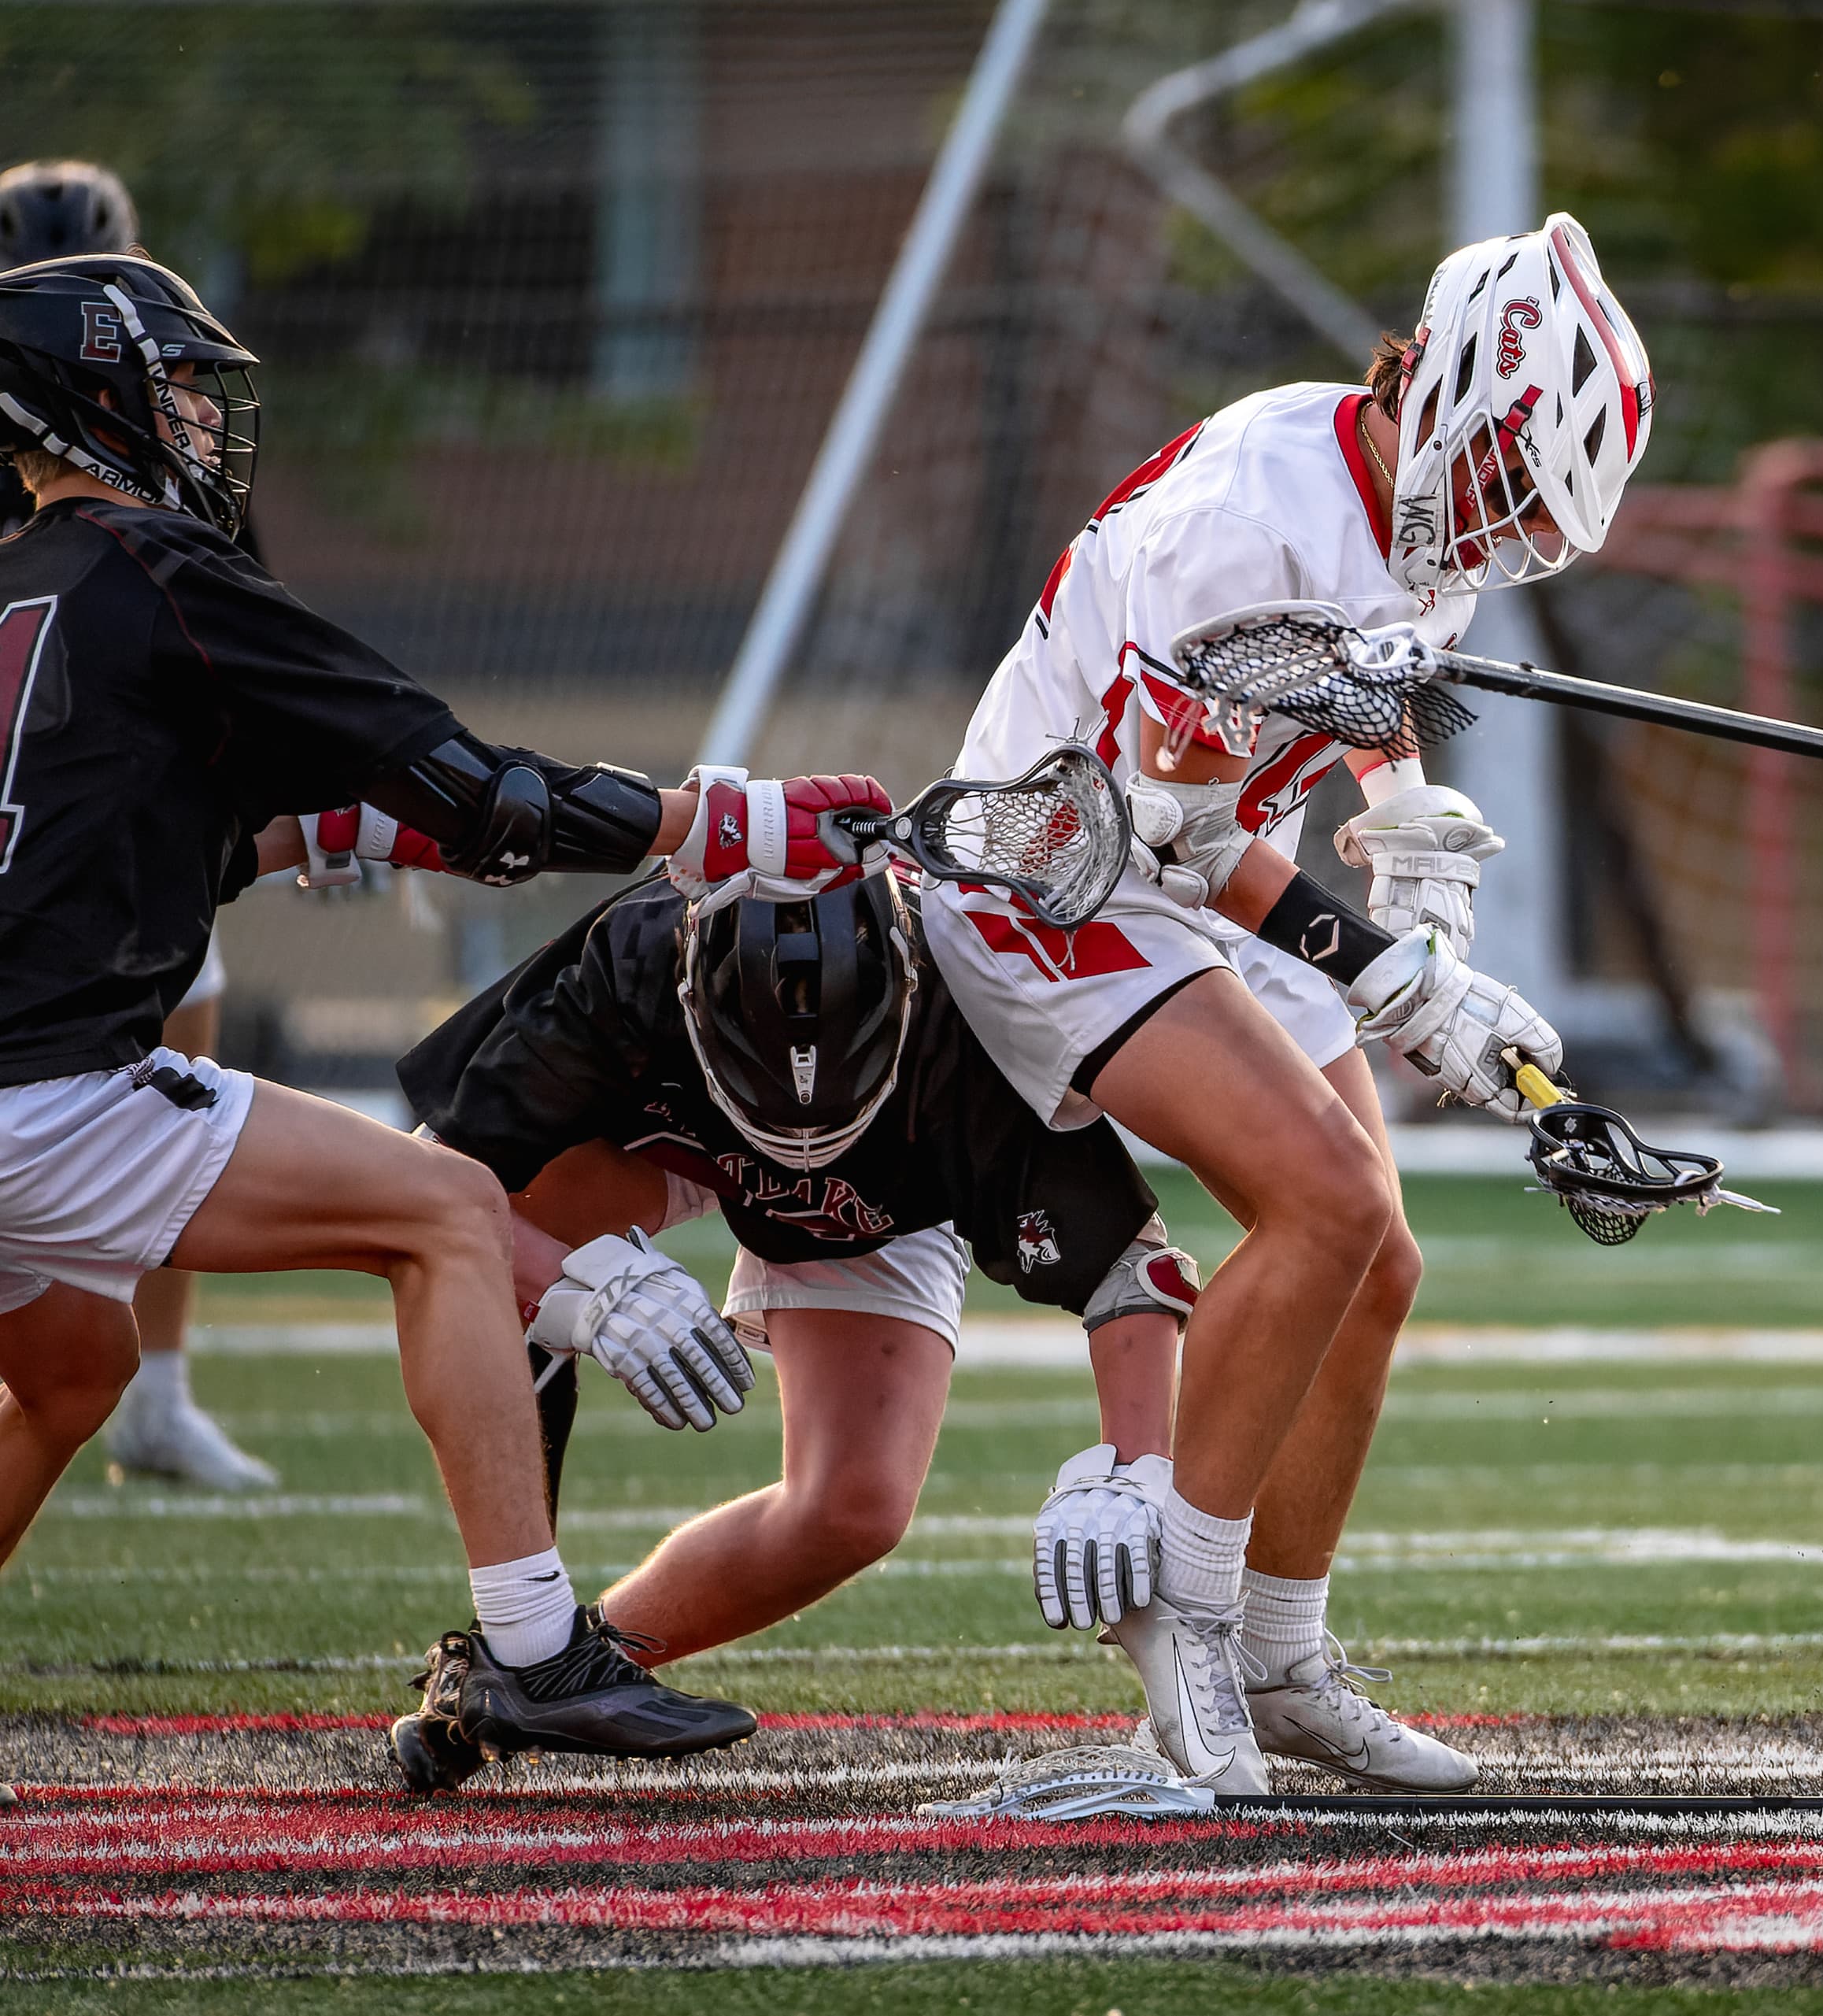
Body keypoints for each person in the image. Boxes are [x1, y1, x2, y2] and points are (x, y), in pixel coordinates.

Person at [0, 248, 893, 1766]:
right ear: (104, 400)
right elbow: (485, 791)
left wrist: (343, 830)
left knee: (72, 1369)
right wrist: (724, 823)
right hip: (47, 1094)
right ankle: (537, 1651)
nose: (208, 431)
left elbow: (136, 839)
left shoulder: (28, 590)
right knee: (444, 1213)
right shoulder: (163, 574)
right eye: (184, 399)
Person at [930, 211, 1651, 1791]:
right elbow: (1176, 819)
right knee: (1322, 1204)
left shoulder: (1418, 509)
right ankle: (1181, 1621)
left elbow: (1359, 683)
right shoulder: (1247, 517)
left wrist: (1405, 826)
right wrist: (1393, 973)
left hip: (1185, 859)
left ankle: (1280, 1647)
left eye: (1535, 512)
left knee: (1377, 1257)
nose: (1502, 531)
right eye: (1502, 484)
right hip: (1056, 865)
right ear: (1443, 389)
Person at [377, 864, 1200, 1790]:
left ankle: (548, 1668)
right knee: (492, 1246)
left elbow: (1127, 1265)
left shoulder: (976, 1004)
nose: (799, 1130)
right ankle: (523, 1626)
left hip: (895, 1178)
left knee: (853, 1506)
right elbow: (429, 1191)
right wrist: (580, 1288)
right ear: (687, 990)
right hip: (671, 1131)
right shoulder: (628, 963)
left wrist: (1134, 1473)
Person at [0, 157, 274, 1489]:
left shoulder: (154, 429)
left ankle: (156, 1381)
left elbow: (243, 633)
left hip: (107, 814)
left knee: (189, 970)